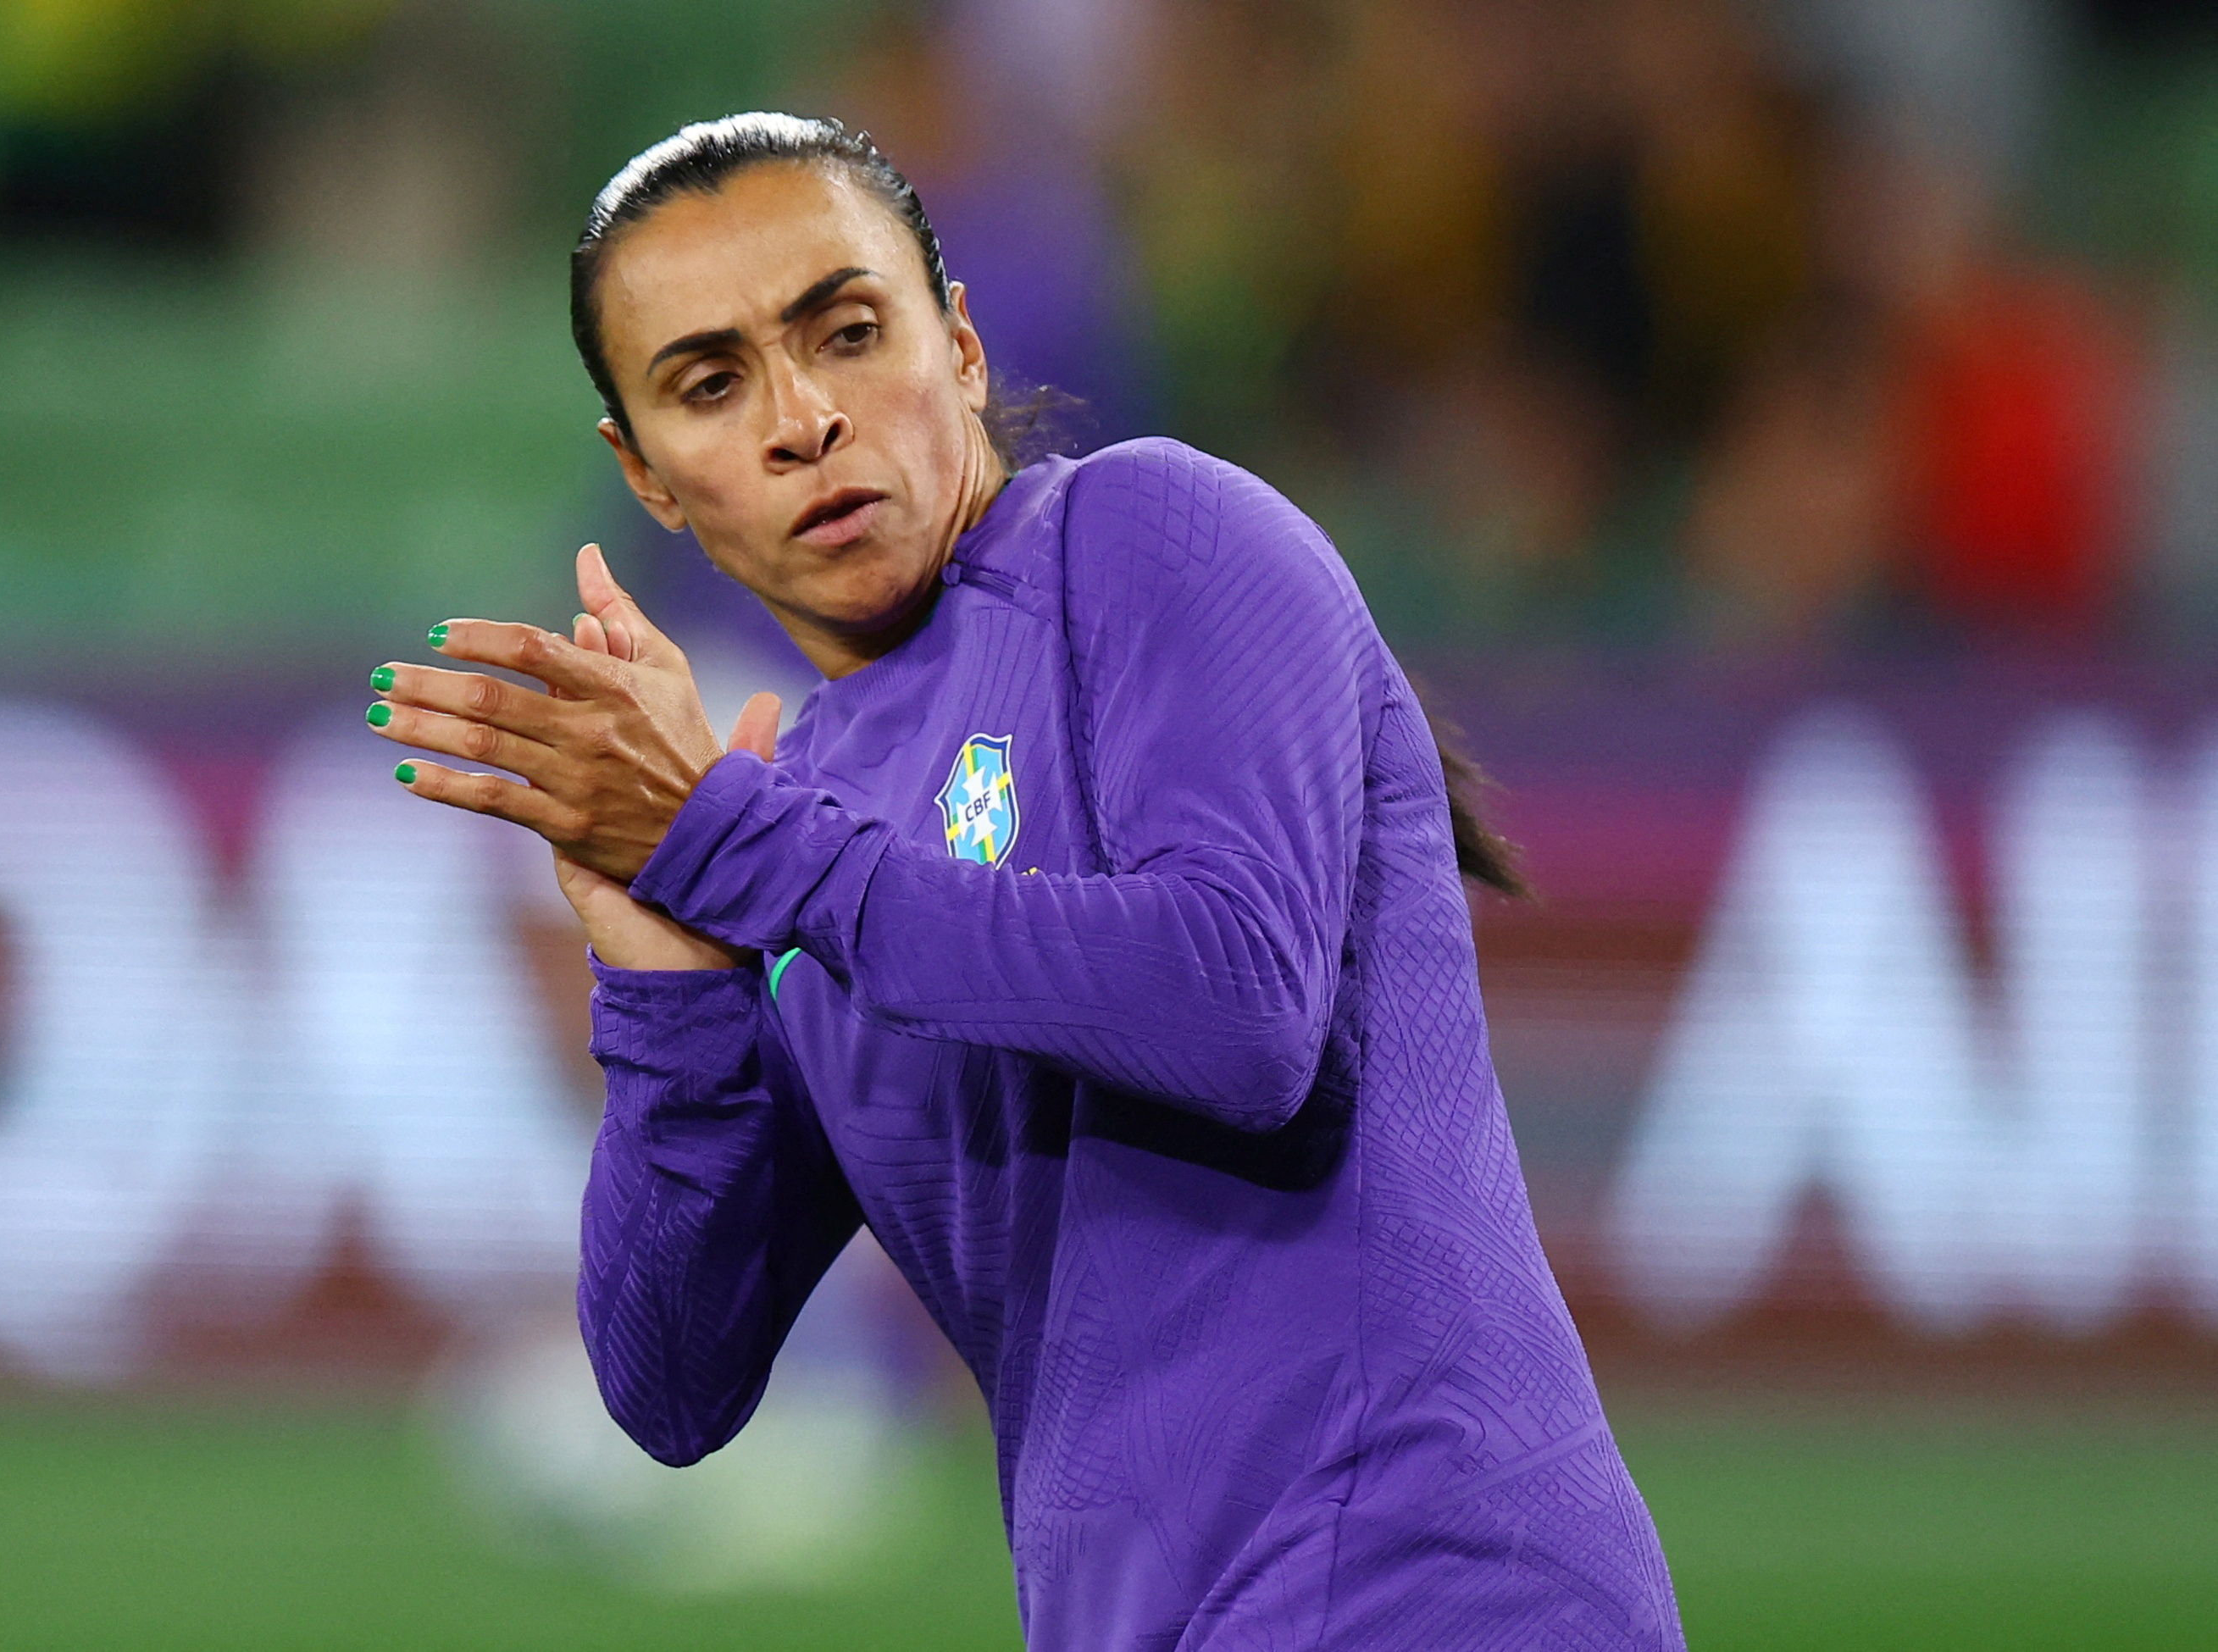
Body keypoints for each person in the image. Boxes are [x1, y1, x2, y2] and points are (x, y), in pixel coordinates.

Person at [366, 112, 1683, 1650]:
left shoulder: (1157, 536)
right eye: (710, 384)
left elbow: (1235, 1013)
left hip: (1423, 1589)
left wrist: (730, 841)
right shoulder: (805, 826)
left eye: (847, 333)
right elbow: (670, 1383)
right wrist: (666, 986)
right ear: (649, 480)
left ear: (963, 346)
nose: (801, 420)